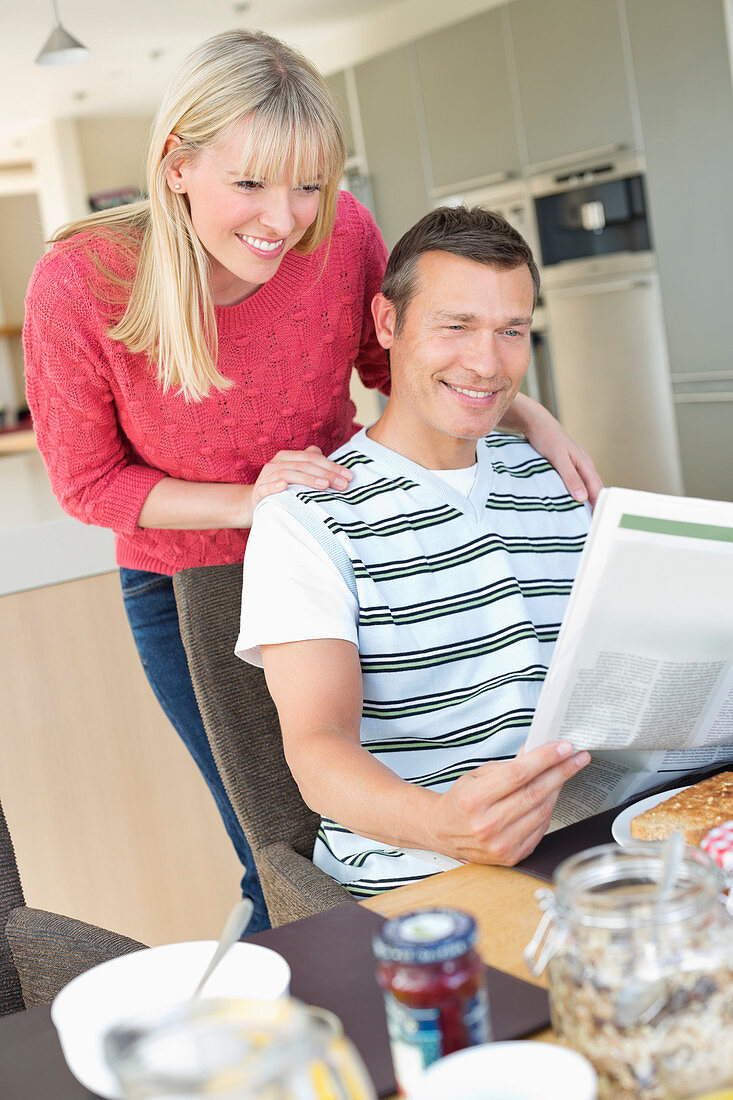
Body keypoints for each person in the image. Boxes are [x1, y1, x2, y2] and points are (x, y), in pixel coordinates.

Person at [24, 30, 598, 929]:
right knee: (276, 849)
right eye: (249, 183)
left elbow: (398, 359)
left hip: (338, 532)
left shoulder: (340, 236)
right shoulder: (85, 280)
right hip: (187, 579)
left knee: (403, 776)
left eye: (308, 184)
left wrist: (527, 412)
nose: (284, 218)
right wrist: (250, 501)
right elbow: (88, 483)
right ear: (176, 165)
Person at [236, 206, 593, 897]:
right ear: (388, 324)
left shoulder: (552, 477)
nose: (486, 364)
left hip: (588, 839)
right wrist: (442, 824)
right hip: (425, 876)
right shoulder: (308, 518)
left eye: (510, 331)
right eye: (455, 326)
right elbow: (317, 752)